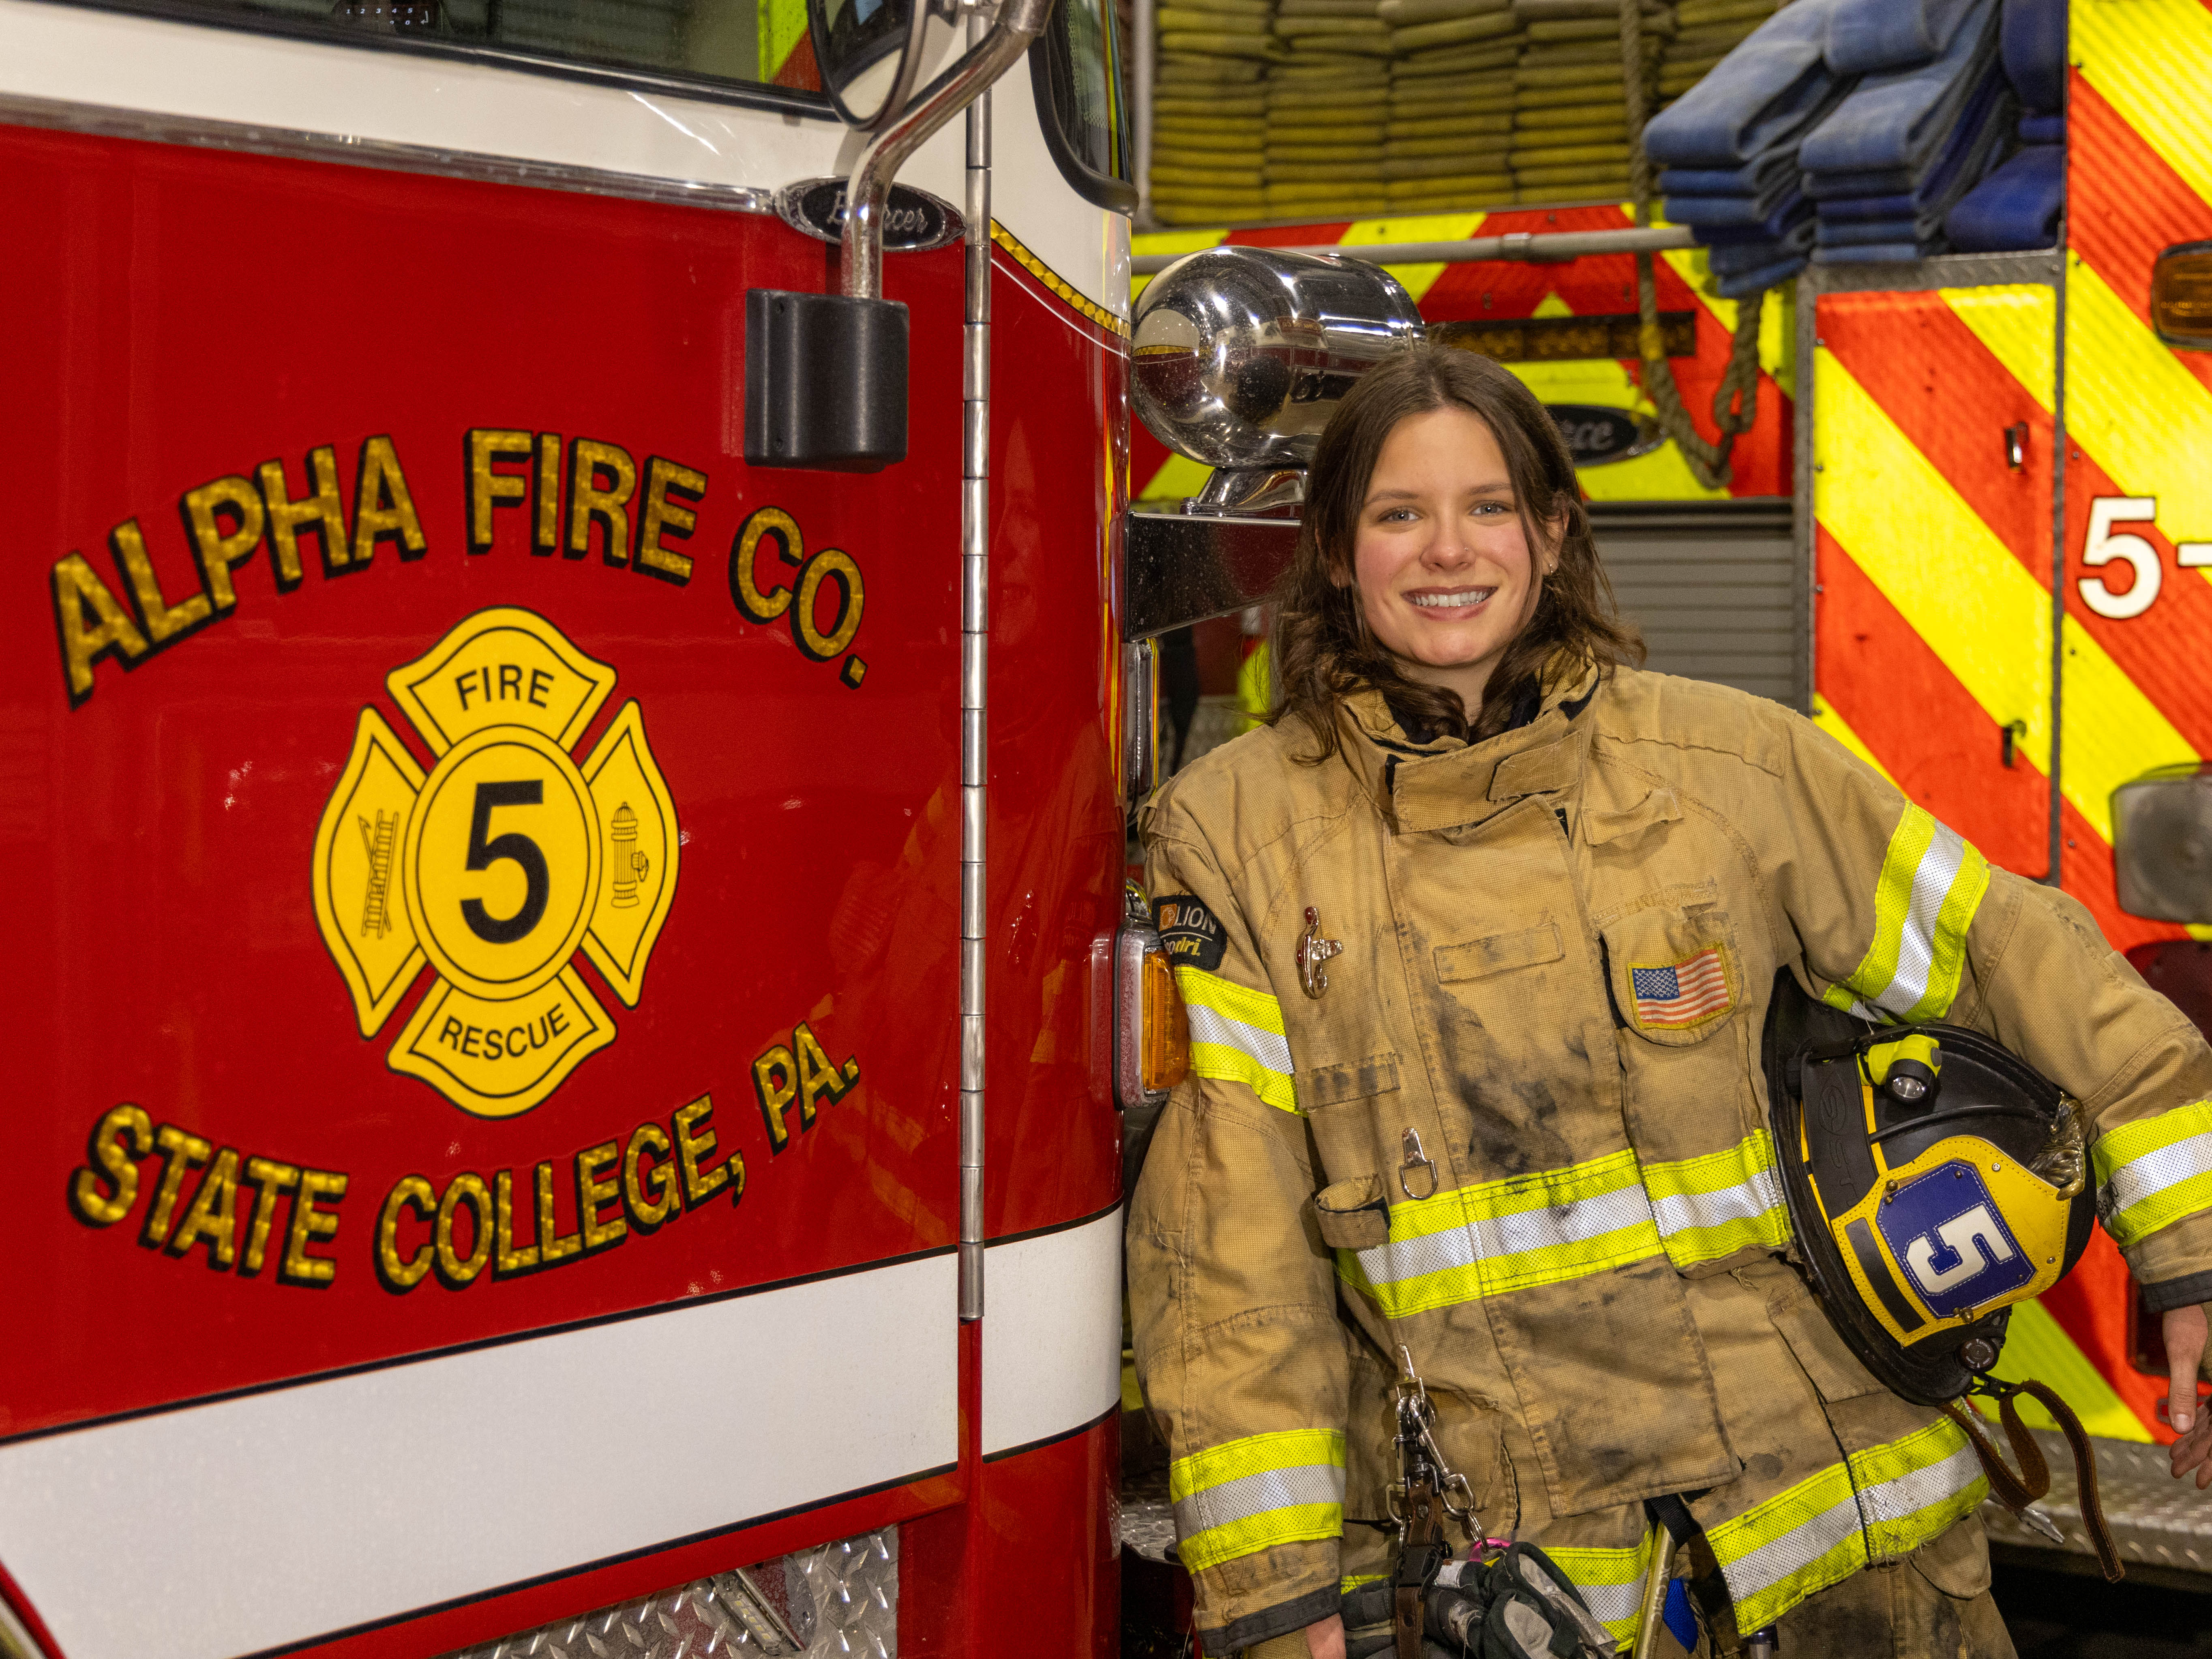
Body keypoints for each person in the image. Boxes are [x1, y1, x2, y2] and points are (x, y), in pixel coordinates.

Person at [1126, 341, 2212, 1659]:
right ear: (1337, 551)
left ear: (1551, 531)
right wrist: (1278, 1594)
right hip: (1530, 1581)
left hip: (1855, 1539)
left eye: (1487, 509)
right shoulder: (1235, 833)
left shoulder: (1728, 764)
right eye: (1398, 514)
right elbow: (1229, 1244)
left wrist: (2191, 1256)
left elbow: (2017, 958)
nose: (1447, 552)